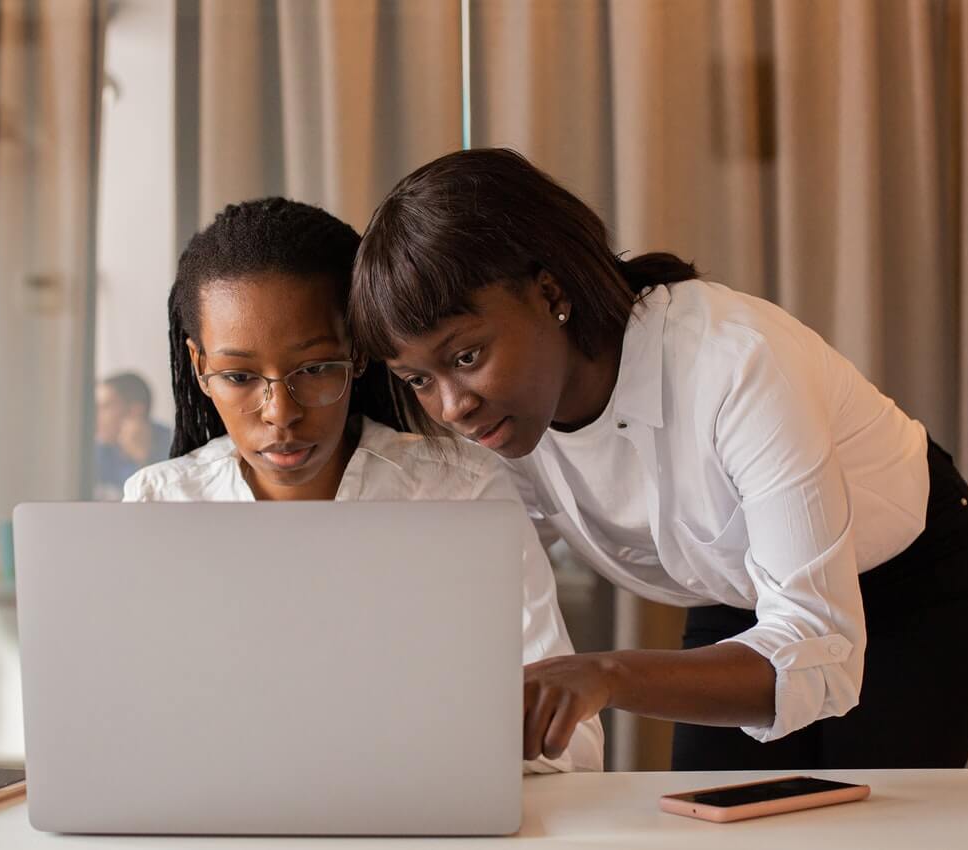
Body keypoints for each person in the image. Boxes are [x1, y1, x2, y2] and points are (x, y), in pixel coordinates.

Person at [349, 147, 968, 770]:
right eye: (417, 379)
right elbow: (470, 578)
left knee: (871, 835)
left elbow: (821, 647)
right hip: (737, 596)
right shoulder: (495, 421)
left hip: (912, 583)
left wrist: (605, 674)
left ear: (549, 292)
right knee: (706, 828)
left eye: (465, 356)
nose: (453, 406)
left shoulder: (735, 362)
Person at [123, 197, 603, 773]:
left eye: (316, 368)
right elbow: (129, 735)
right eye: (239, 377)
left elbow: (571, 749)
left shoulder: (461, 493)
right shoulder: (157, 505)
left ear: (357, 354)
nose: (280, 413)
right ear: (198, 365)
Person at [94, 371, 171, 500]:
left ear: (134, 411)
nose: (95, 415)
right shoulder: (99, 451)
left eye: (105, 407)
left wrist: (143, 459)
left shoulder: (175, 446)